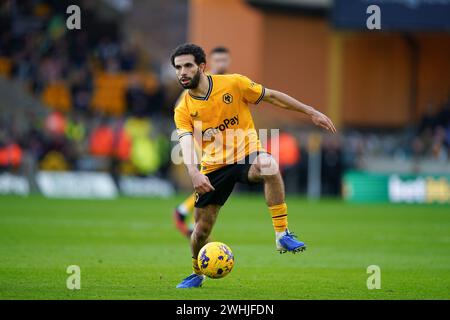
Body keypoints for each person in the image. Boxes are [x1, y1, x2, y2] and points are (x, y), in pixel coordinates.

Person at [171, 43, 336, 288]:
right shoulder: (183, 108)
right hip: (214, 167)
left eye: (187, 66)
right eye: (177, 67)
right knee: (201, 232)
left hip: (247, 154)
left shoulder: (233, 84)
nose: (182, 72)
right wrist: (194, 172)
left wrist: (309, 111)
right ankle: (197, 272)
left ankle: (282, 234)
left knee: (268, 164)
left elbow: (271, 96)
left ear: (202, 67)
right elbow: (185, 141)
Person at [173, 46, 232, 238]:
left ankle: (185, 210)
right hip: (201, 142)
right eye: (218, 60)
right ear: (208, 64)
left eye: (225, 60)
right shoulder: (197, 82)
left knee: (215, 182)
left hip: (222, 143)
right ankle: (186, 213)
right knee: (212, 180)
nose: (222, 64)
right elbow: (181, 108)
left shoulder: (225, 83)